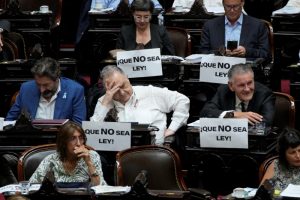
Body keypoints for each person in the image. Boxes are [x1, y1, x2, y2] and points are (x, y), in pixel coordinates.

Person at [90, 65, 190, 145]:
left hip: (153, 150)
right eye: (115, 90)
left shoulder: (149, 92)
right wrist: (105, 102)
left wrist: (172, 128)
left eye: (123, 86)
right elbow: (92, 135)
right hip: (118, 154)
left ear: (127, 78)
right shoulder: (104, 101)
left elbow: (182, 100)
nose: (122, 93)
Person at [5, 57, 86, 124]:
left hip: (61, 140)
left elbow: (78, 126)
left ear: (57, 78)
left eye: (45, 85)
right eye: (38, 84)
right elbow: (10, 120)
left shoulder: (75, 91)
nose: (41, 90)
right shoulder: (26, 88)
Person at [29, 121, 107, 185]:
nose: (79, 143)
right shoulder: (51, 160)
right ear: (64, 142)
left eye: (81, 138)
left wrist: (89, 163)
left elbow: (99, 188)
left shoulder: (92, 156)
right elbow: (32, 185)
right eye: (73, 139)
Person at [200, 63, 275, 126]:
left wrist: (236, 120)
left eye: (249, 83)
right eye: (241, 85)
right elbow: (206, 112)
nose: (247, 89)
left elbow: (267, 122)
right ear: (231, 86)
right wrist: (234, 115)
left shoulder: (265, 94)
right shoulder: (223, 91)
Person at [199, 0, 271, 60]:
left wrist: (247, 51)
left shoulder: (258, 25)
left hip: (246, 70)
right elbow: (203, 52)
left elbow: (265, 54)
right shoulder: (210, 26)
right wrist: (221, 52)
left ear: (242, 3)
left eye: (235, 6)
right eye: (228, 7)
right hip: (218, 70)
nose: (232, 10)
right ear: (223, 5)